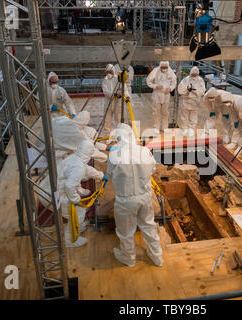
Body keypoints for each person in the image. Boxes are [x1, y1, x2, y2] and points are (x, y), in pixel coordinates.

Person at [107, 123, 163, 267]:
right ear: (131, 135)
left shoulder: (114, 155)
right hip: (145, 196)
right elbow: (152, 169)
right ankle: (157, 256)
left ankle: (128, 257)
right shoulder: (144, 151)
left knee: (125, 231)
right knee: (149, 225)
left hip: (125, 200)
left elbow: (110, 174)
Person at [39, 140, 107, 248]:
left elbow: (87, 169)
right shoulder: (78, 166)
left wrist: (100, 175)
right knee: (78, 212)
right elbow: (70, 186)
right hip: (51, 196)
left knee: (78, 212)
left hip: (46, 190)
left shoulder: (75, 158)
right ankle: (69, 240)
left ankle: (76, 227)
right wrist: (75, 200)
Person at [146, 61, 177, 133]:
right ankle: (156, 127)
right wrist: (155, 86)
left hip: (166, 95)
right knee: (156, 111)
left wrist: (170, 88)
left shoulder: (170, 72)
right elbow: (148, 81)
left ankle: (165, 127)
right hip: (157, 94)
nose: (164, 69)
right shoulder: (155, 71)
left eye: (165, 67)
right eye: (162, 67)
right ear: (160, 66)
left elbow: (174, 82)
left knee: (165, 112)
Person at [177, 66, 206, 136]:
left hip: (195, 101)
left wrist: (195, 91)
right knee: (184, 116)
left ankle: (191, 129)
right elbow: (180, 89)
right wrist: (187, 89)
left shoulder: (200, 80)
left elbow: (203, 91)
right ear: (190, 73)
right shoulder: (186, 80)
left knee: (193, 116)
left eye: (195, 74)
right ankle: (184, 129)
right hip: (186, 101)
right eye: (193, 74)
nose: (194, 75)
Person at [102, 64, 120, 136]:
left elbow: (122, 88)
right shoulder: (105, 79)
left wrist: (120, 94)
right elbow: (105, 91)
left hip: (117, 102)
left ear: (113, 71)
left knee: (118, 119)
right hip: (108, 101)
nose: (109, 73)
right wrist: (113, 94)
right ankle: (107, 135)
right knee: (107, 119)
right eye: (108, 72)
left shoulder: (118, 79)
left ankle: (119, 135)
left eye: (110, 71)